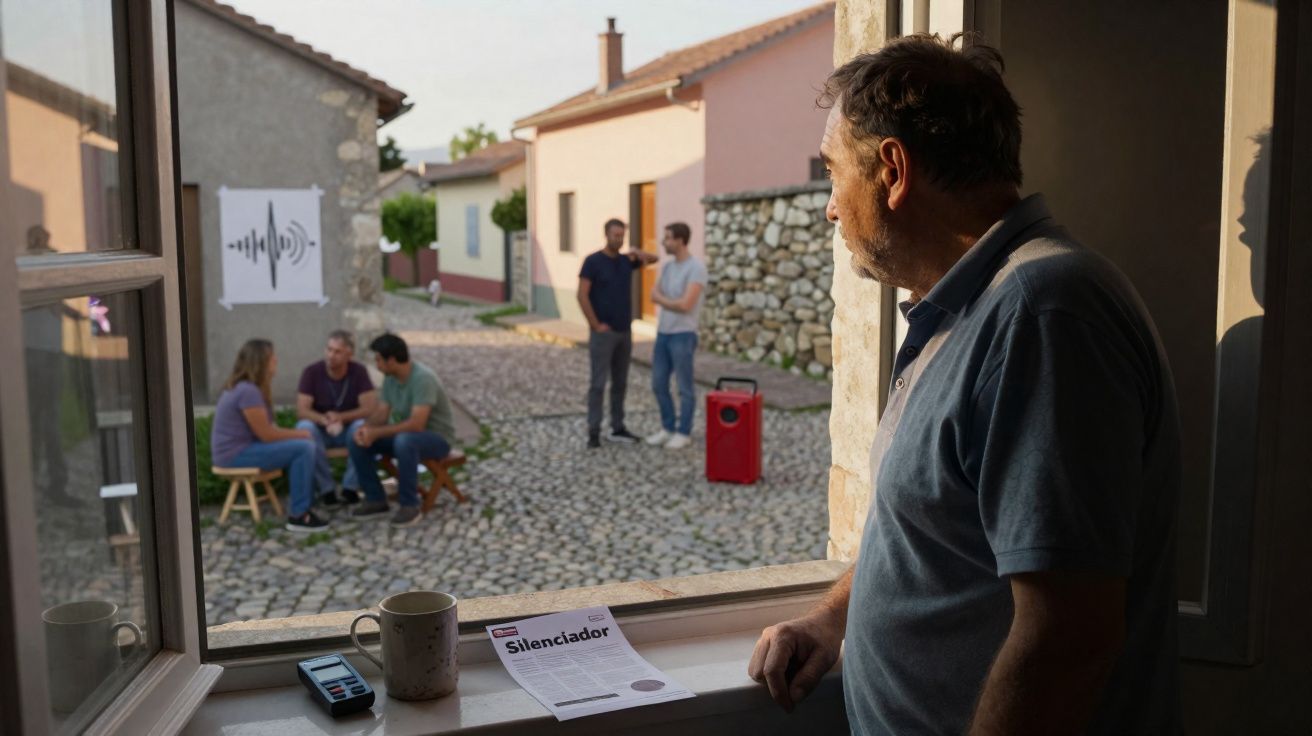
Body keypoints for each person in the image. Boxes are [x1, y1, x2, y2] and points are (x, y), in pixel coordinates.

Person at [748, 34, 1182, 734]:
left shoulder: (1041, 316)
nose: (830, 207)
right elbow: (932, 527)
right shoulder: (965, 309)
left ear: (893, 171)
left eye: (833, 174)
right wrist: (832, 619)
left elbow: (1067, 639)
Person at [211, 339, 324, 531]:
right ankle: (299, 515)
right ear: (261, 362)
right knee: (304, 448)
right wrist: (301, 434)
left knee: (303, 444)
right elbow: (267, 435)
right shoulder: (247, 391)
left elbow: (268, 430)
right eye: (272, 357)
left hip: (240, 450)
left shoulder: (246, 388)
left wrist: (296, 435)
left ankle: (308, 503)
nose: (276, 360)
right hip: (235, 455)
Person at [347, 333, 456, 528]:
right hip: (407, 437)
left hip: (437, 438)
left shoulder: (423, 379)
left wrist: (376, 433)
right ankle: (375, 499)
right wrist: (365, 429)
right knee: (355, 437)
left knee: (405, 441)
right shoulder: (391, 378)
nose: (376, 364)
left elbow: (416, 425)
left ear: (391, 360)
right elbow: (382, 413)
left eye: (378, 360)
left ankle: (410, 504)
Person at [577, 218, 658, 448]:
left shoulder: (625, 261)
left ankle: (617, 427)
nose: (619, 239)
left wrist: (638, 252)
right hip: (603, 333)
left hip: (624, 332)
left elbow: (654, 259)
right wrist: (595, 324)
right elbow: (582, 295)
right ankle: (594, 430)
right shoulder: (593, 262)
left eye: (622, 235)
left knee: (620, 382)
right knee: (598, 383)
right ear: (606, 234)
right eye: (615, 235)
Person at [294, 329, 377, 506]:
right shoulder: (312, 372)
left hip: (348, 430)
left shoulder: (359, 372)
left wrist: (341, 417)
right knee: (304, 427)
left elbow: (369, 408)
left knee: (362, 426)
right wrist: (323, 419)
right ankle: (327, 490)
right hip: (321, 431)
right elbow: (302, 410)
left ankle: (350, 488)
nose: (331, 356)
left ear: (349, 354)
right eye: (329, 349)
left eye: (337, 352)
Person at [645, 222, 707, 450]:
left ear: (680, 240)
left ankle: (684, 432)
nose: (664, 242)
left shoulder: (696, 268)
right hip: (663, 333)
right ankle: (668, 427)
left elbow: (686, 305)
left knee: (684, 387)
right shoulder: (668, 267)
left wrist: (663, 300)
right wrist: (671, 301)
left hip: (683, 334)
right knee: (658, 383)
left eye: (668, 238)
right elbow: (654, 294)